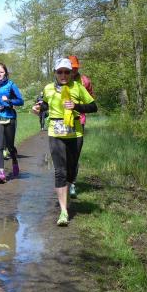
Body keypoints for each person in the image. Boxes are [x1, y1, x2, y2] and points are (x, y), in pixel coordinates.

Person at [33, 57, 97, 226]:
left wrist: (76, 106)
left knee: (70, 171)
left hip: (75, 133)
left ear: (71, 73)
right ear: (55, 73)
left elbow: (93, 106)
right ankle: (63, 211)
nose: (63, 75)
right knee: (60, 171)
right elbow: (45, 105)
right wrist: (38, 108)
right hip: (56, 132)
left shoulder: (78, 87)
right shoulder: (48, 88)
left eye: (66, 72)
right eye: (60, 72)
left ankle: (67, 196)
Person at [0, 63, 24, 183]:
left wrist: (9, 100)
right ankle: (1, 174)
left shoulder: (11, 85)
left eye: (1, 72)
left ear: (5, 73)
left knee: (10, 146)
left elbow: (21, 101)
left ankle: (14, 161)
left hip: (9, 117)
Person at [68, 55, 94, 198]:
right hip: (62, 122)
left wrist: (78, 106)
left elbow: (91, 101)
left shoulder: (85, 81)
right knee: (64, 154)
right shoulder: (61, 78)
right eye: (71, 67)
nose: (73, 70)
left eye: (75, 68)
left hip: (79, 120)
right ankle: (64, 181)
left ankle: (72, 183)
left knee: (75, 154)